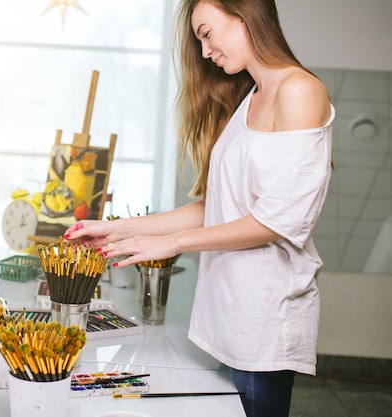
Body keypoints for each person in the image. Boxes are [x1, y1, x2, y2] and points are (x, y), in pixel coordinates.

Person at [64, 0, 334, 416]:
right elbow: (219, 206)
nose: (205, 51)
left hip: (263, 322)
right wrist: (117, 229)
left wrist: (173, 243)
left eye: (207, 33)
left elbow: (279, 219)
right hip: (229, 316)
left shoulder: (299, 90)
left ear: (245, 16)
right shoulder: (252, 97)